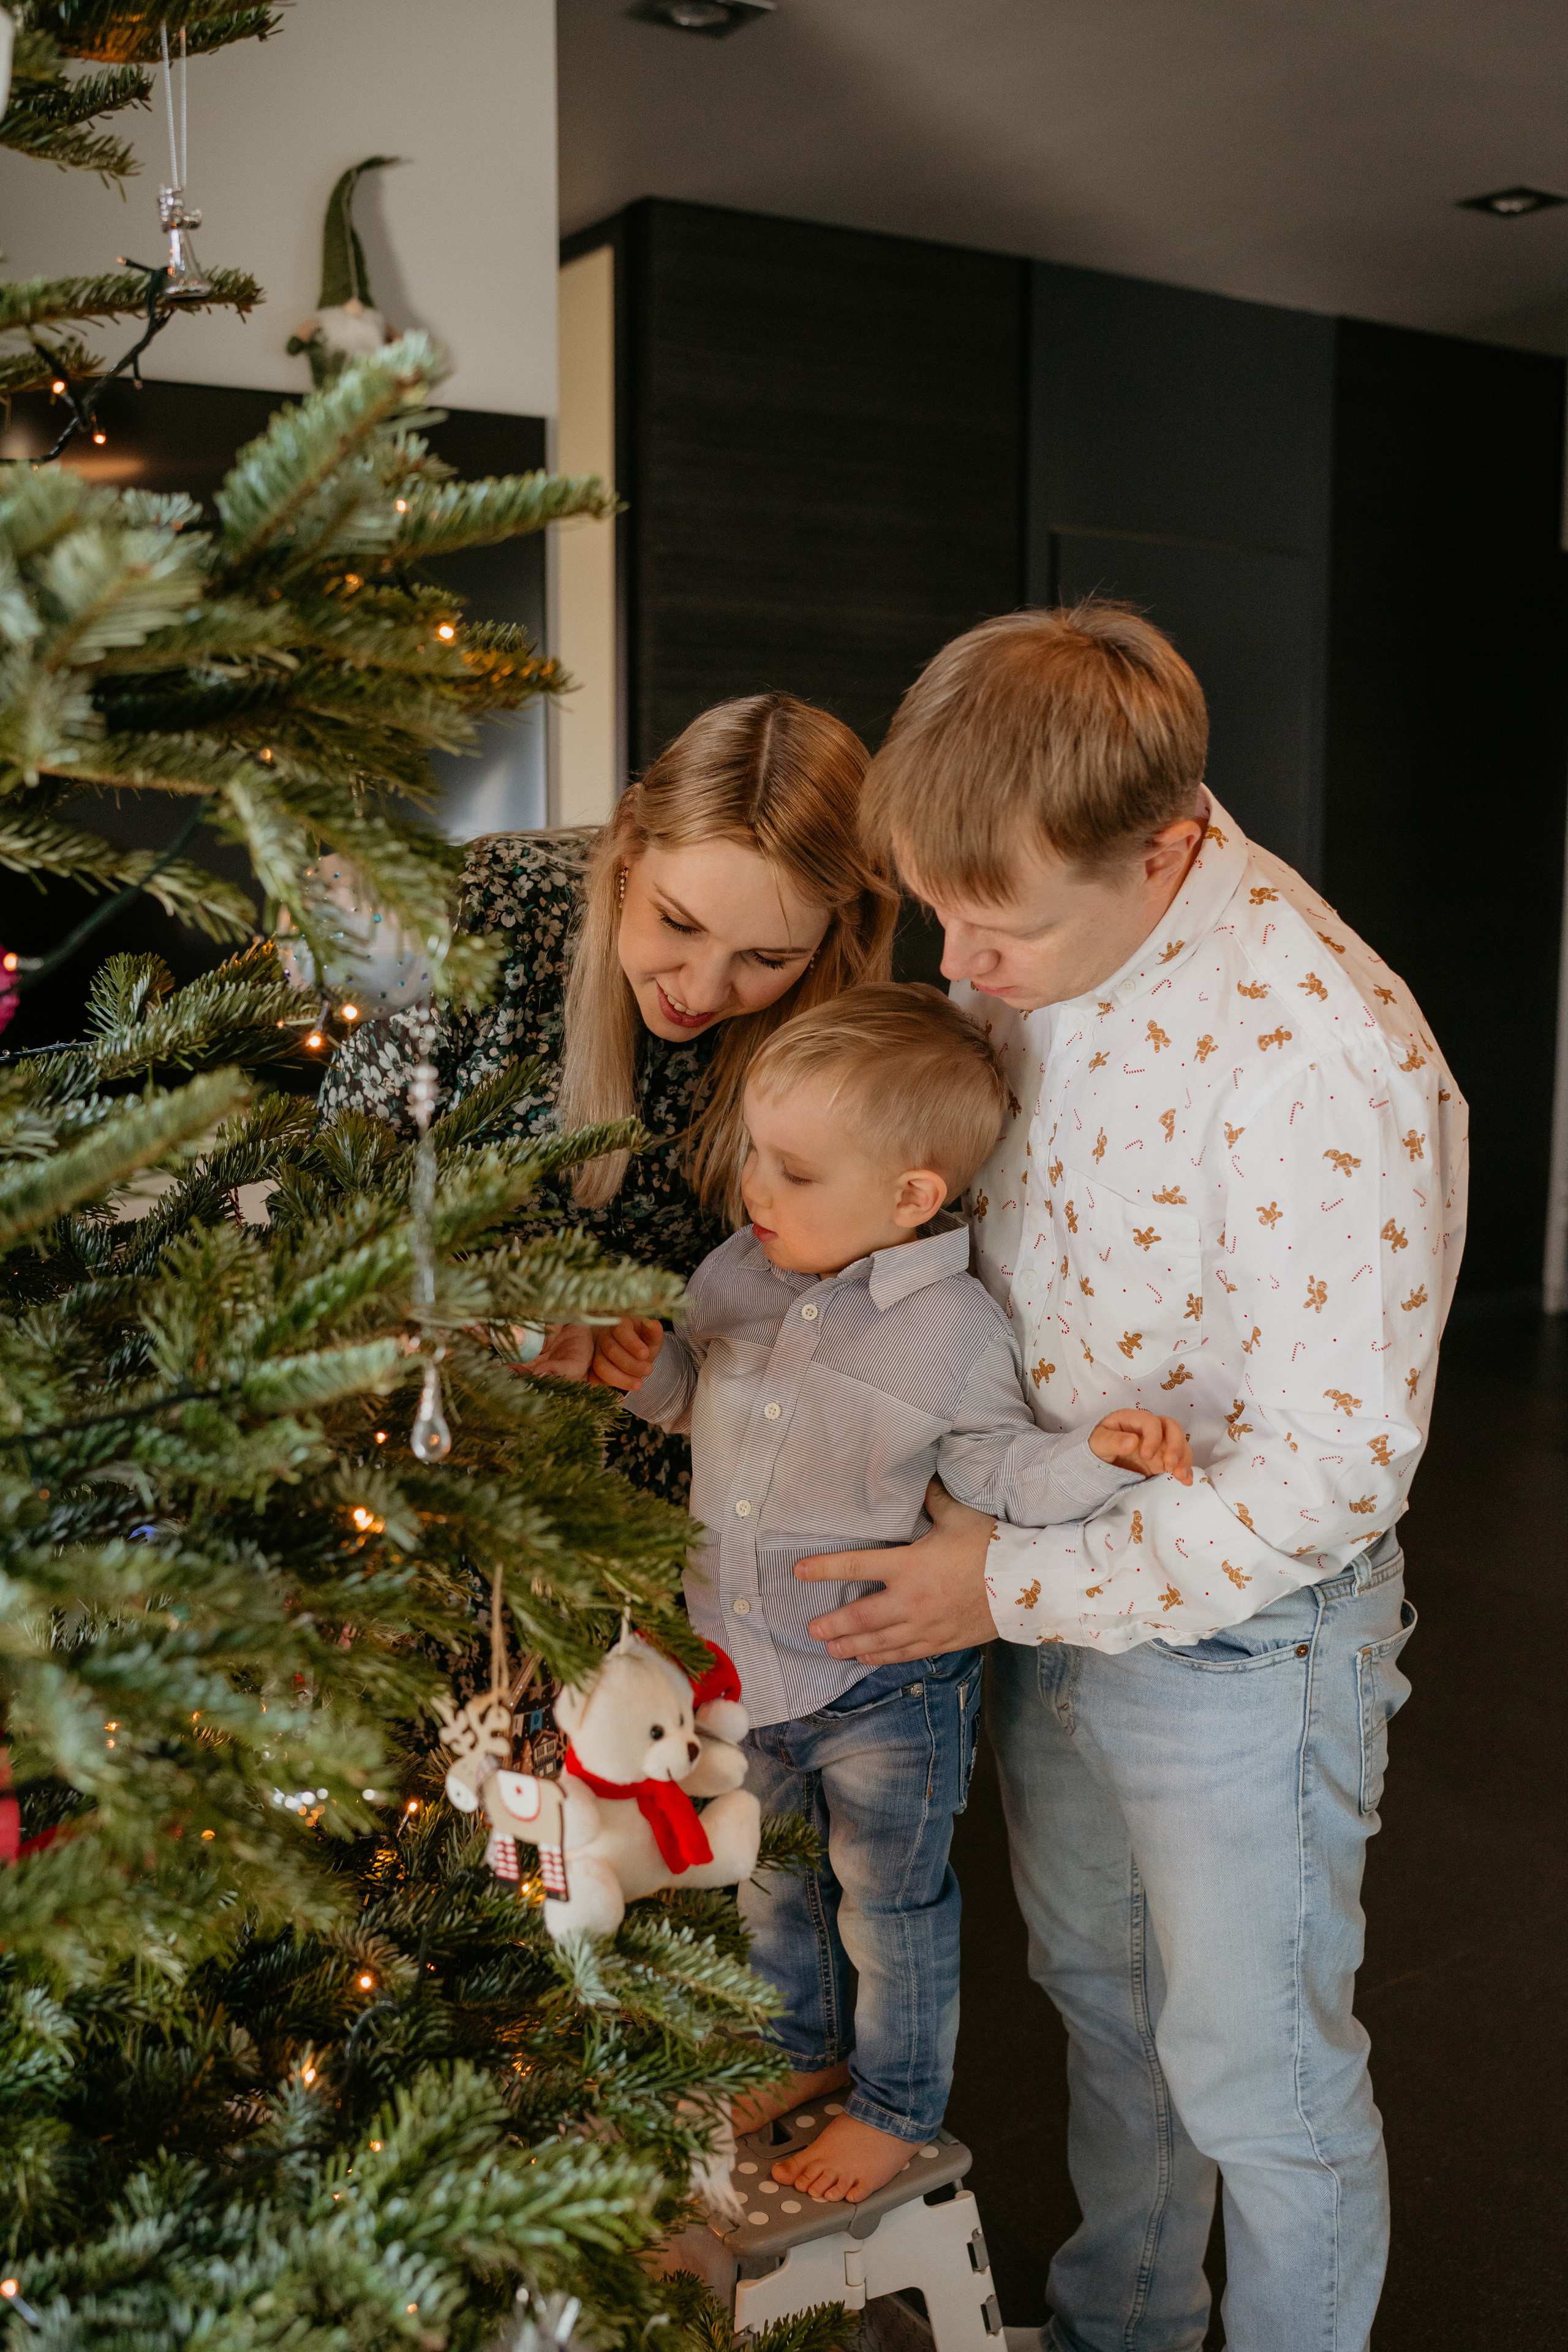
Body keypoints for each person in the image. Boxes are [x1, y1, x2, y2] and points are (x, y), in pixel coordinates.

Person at [790, 606, 1468, 2352]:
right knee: (1102, 2010)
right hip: (1048, 1581)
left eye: (997, 926)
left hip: (1246, 1639)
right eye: (945, 912)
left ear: (1165, 851)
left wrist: (995, 1582)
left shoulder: (1326, 1059)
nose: (962, 964)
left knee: (1260, 2084)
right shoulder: (1015, 948)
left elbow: (1335, 1472)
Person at [584, 984, 1193, 2206]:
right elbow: (697, 1397)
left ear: (910, 1198)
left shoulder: (954, 1333)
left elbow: (996, 1473)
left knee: (886, 1901)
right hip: (741, 1663)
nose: (755, 1188)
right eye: (755, 1151)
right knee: (771, 1880)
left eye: (794, 1172)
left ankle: (897, 2104)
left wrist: (1097, 1456)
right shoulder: (735, 1272)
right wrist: (648, 1370)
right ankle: (793, 2048)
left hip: (882, 1682)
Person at [320, 691, 897, 1502]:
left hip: (670, 1472)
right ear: (629, 849)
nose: (701, 990)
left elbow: (828, 1317)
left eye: (766, 957)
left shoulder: (844, 1035)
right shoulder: (497, 909)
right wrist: (496, 1317)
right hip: (422, 1438)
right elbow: (339, 1185)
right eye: (679, 924)